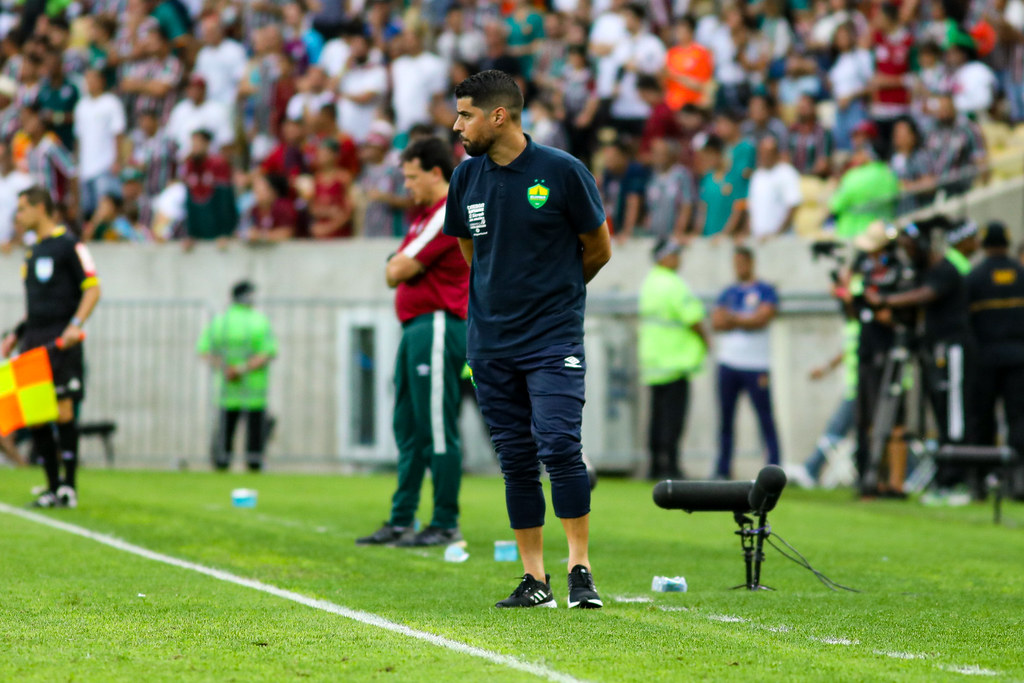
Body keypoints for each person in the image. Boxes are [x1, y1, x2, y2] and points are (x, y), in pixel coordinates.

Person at [444, 70, 612, 608]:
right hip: (490, 342)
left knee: (561, 446)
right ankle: (534, 578)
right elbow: (472, 252)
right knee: (516, 460)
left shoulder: (562, 171)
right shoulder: (465, 179)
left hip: (551, 337)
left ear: (499, 115)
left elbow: (599, 247)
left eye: (465, 114)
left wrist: (555, 295)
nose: (457, 125)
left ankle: (579, 570)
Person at [356, 137, 469, 548]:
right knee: (408, 426)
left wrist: (396, 266)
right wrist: (397, 267)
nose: (406, 186)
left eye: (412, 177)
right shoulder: (423, 218)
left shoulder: (446, 211)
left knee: (437, 427)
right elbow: (397, 269)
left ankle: (444, 520)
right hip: (416, 328)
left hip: (438, 325)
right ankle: (402, 518)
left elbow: (396, 269)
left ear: (436, 173)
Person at [1, 186, 101, 508]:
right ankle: (52, 486)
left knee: (63, 410)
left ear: (40, 208)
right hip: (34, 341)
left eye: (22, 209)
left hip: (62, 340)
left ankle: (69, 487)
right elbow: (37, 306)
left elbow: (93, 288)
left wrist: (76, 325)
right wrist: (16, 334)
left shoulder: (69, 245)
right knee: (37, 414)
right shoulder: (31, 252)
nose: (18, 217)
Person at [866, 219, 978, 482]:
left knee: (954, 413)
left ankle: (958, 475)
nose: (907, 255)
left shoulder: (945, 270)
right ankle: (947, 473)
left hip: (953, 349)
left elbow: (925, 295)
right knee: (939, 411)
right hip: (933, 349)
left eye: (910, 248)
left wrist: (884, 300)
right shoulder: (921, 271)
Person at [638, 238, 708, 479]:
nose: (679, 258)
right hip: (675, 361)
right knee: (673, 419)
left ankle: (655, 465)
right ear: (663, 257)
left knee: (656, 418)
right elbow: (693, 318)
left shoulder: (650, 282)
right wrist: (706, 341)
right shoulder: (674, 284)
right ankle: (671, 467)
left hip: (654, 362)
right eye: (674, 254)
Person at [711, 247, 780, 479]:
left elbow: (762, 319)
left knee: (764, 417)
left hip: (756, 364)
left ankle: (774, 467)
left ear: (751, 262)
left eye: (742, 262)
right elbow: (717, 322)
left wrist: (734, 319)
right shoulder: (728, 292)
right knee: (726, 419)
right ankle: (723, 469)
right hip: (729, 363)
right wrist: (744, 319)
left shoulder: (765, 290)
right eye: (735, 262)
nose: (739, 267)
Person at [966, 222, 1024, 499]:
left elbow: (966, 323)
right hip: (1018, 358)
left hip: (984, 359)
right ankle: (1018, 479)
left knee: (982, 419)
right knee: (1019, 419)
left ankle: (980, 479)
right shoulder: (1021, 275)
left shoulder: (975, 277)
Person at [197, 281, 277, 472]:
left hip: (228, 389)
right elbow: (267, 353)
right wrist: (240, 369)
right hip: (254, 390)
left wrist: (227, 369)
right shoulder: (259, 321)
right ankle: (254, 465)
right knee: (255, 438)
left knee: (225, 432)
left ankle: (221, 464)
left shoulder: (220, 321)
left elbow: (204, 351)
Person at [747, 135, 802, 241]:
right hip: (759, 239)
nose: (764, 157)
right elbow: (751, 207)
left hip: (781, 240)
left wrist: (777, 234)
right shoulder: (757, 175)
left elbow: (793, 205)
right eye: (761, 153)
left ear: (776, 154)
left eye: (768, 153)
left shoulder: (786, 172)